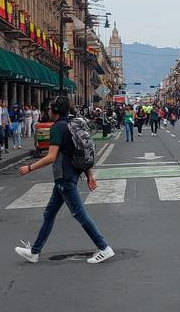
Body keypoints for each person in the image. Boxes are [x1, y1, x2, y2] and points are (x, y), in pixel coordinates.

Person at [14, 96, 114, 265]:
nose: (47, 110)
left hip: (64, 176)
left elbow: (51, 157)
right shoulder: (72, 124)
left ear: (56, 111)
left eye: (49, 108)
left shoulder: (57, 128)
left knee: (79, 213)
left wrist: (29, 168)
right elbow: (81, 151)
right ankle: (35, 252)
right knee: (49, 213)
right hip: (72, 173)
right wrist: (90, 174)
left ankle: (104, 247)